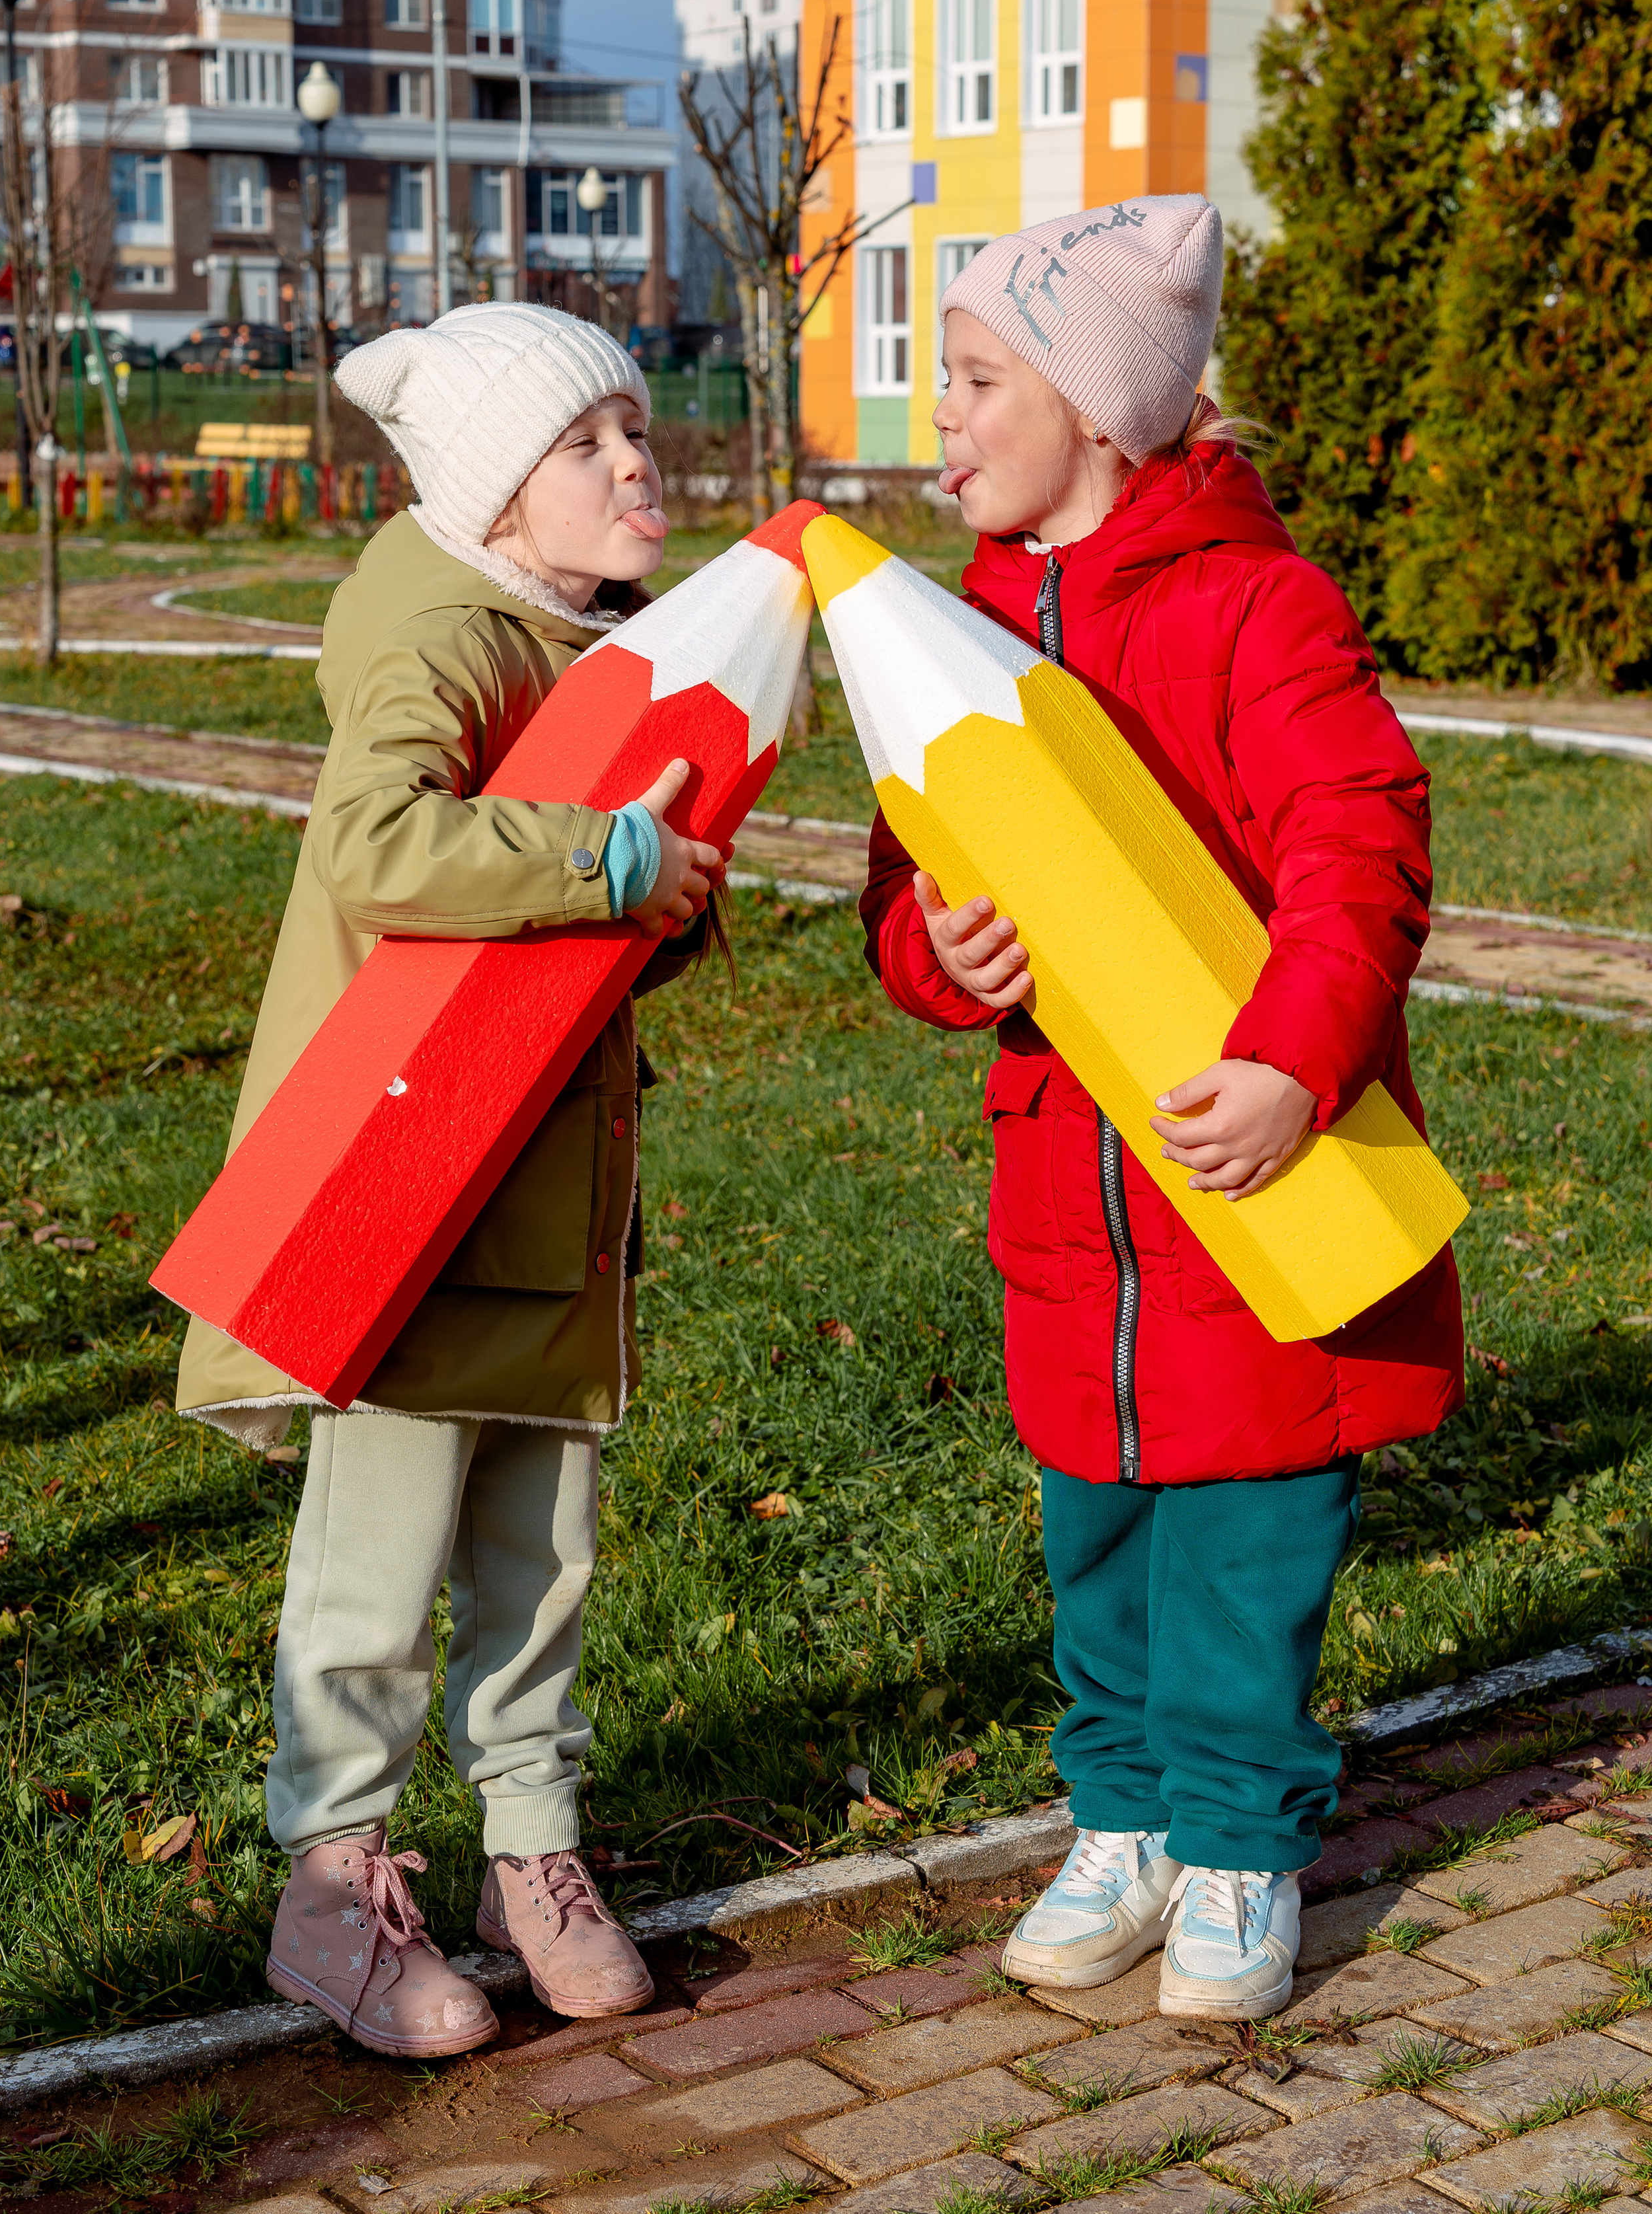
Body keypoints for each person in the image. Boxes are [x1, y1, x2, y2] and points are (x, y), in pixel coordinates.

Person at [859, 198, 1462, 2021]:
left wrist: (1297, 1060)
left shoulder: (1254, 608)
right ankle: (1120, 1822)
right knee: (1099, 1538)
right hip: (1073, 1217)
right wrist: (934, 957)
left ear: (1100, 414)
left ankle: (1240, 1846)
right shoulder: (948, 636)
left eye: (972, 381)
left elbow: (1360, 845)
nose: (937, 418)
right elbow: (899, 892)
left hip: (1247, 1184)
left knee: (1246, 1545)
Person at [176, 304, 726, 2055]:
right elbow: (379, 841)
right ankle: (333, 1890)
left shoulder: (601, 641)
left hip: (545, 1181)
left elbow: (599, 929)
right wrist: (612, 855)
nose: (638, 462)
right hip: (405, 1185)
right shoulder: (435, 630)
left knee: (539, 1549)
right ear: (496, 499)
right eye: (587, 443)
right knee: (381, 1555)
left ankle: (533, 1853)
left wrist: (661, 904)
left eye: (639, 427)